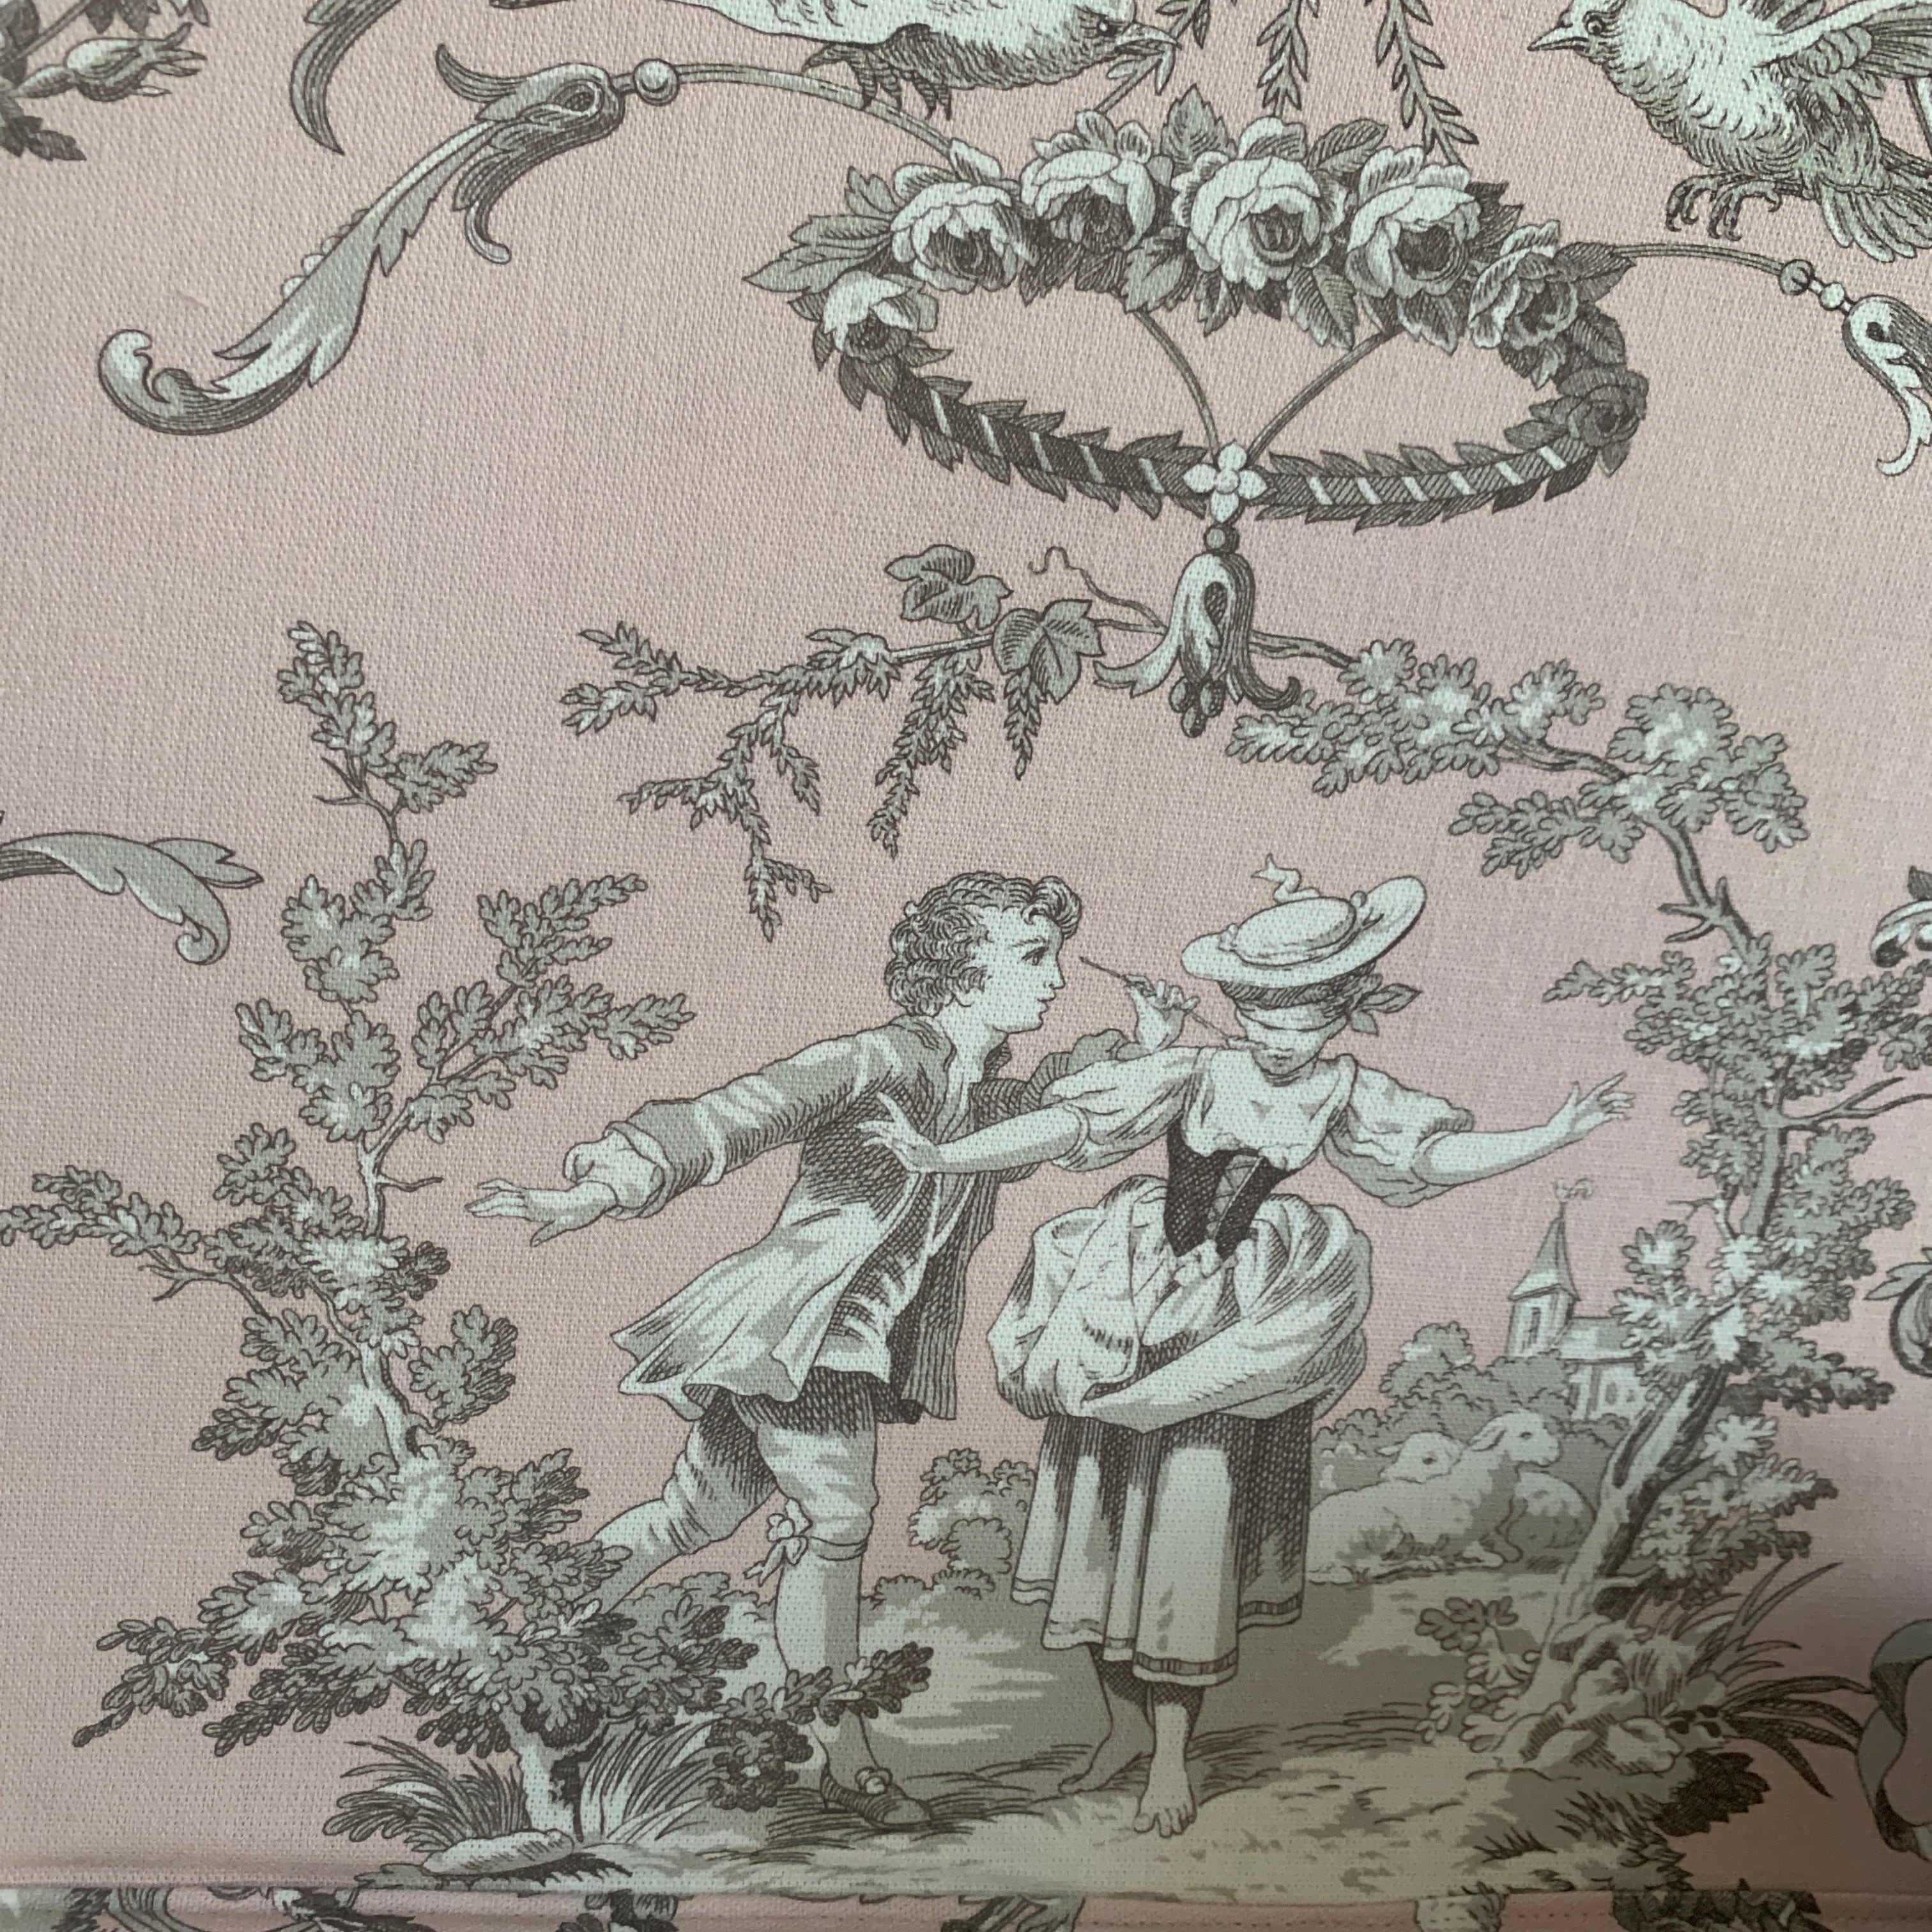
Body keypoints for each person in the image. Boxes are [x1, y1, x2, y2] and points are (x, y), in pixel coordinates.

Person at [860, 861, 1632, 1839]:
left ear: (1340, 1010)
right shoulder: (1197, 1070)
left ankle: (1171, 1757)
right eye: (1260, 1015)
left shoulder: (1347, 1092)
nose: (1277, 1037)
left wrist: (1548, 1135)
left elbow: (1430, 1159)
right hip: (1131, 1300)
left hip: (1237, 1323)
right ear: (1238, 1005)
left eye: (1301, 1019)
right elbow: (1071, 1123)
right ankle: (1119, 1729)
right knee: (1101, 1525)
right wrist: (944, 1156)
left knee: (1190, 1540)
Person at [466, 871, 1179, 1832]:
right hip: (805, 1339)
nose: (1055, 979)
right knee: (838, 1522)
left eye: (1053, 956)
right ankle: (845, 1759)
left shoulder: (980, 1097)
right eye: (1031, 957)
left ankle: (524, 1632)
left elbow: (1056, 1114)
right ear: (960, 972)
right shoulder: (880, 1060)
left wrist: (1148, 1048)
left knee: (694, 1514)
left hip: (825, 1348)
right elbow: (744, 1110)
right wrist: (609, 1182)